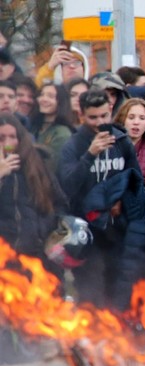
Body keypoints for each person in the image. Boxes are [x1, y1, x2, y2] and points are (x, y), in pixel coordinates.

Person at [57, 89, 145, 310]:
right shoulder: (74, 145)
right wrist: (90, 154)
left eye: (103, 116)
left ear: (110, 111)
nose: (99, 122)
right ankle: (93, 339)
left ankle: (117, 340)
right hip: (87, 234)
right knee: (92, 293)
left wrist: (122, 201)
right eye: (93, 118)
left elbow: (136, 181)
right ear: (82, 116)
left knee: (119, 290)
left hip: (118, 230)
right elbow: (66, 186)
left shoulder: (122, 141)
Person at [0, 113, 68, 280]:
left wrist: (46, 232)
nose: (7, 143)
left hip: (38, 259)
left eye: (12, 137)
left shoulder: (36, 164)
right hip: (5, 259)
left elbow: (60, 204)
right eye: (1, 138)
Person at [113, 98, 145, 192]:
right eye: (131, 117)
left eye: (142, 118)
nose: (136, 122)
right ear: (123, 119)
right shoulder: (110, 145)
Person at [29, 83, 74, 170]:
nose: (44, 99)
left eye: (50, 96)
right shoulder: (33, 127)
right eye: (41, 95)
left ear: (60, 102)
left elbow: (53, 164)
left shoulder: (62, 133)